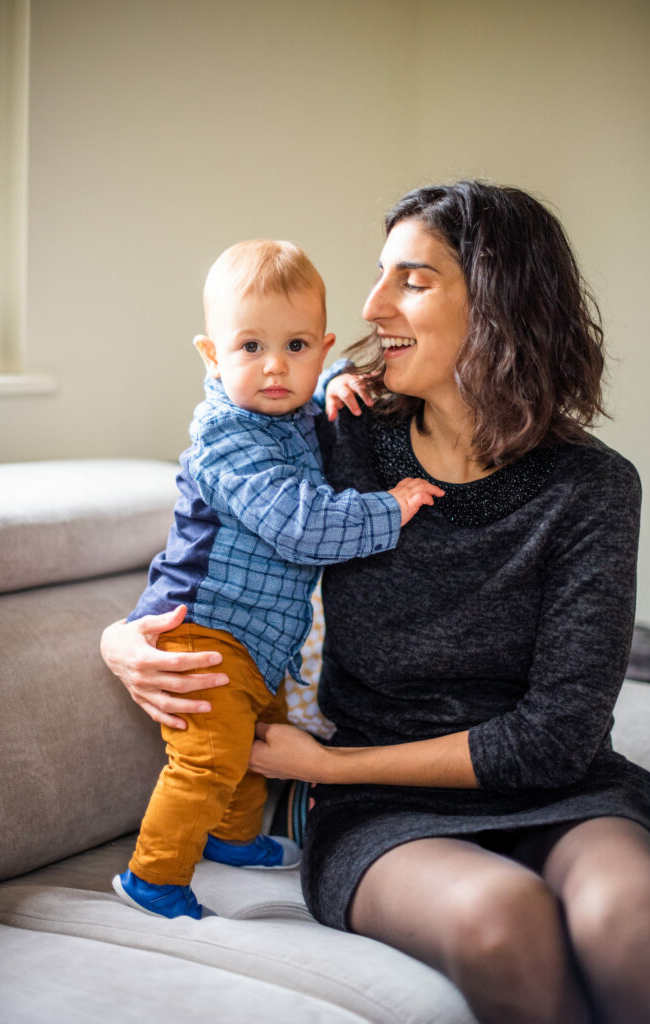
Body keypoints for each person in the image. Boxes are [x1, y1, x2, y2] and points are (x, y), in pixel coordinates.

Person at [101, 184, 650, 1023]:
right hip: (385, 814)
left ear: (500, 304)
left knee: (632, 924)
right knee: (501, 921)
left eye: (412, 279)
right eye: (379, 276)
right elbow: (211, 516)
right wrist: (122, 637)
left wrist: (327, 765)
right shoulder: (336, 435)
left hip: (564, 791)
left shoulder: (593, 488)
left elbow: (557, 737)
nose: (372, 305)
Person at [111, 238, 442, 920]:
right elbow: (300, 525)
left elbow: (303, 390)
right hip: (198, 627)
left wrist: (335, 382)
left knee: (251, 743)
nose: (273, 369)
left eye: (296, 348)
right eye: (250, 348)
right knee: (208, 758)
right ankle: (153, 875)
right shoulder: (225, 437)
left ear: (321, 348)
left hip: (257, 639)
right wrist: (392, 507)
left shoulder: (290, 408)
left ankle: (232, 838)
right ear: (212, 355)